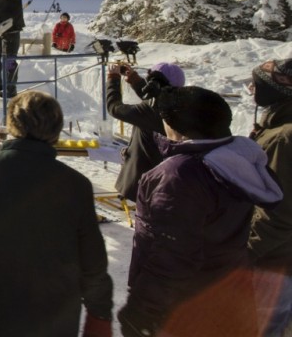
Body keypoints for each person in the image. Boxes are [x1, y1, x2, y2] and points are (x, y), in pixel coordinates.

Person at [0, 91, 114, 337]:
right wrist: (100, 315)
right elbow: (93, 260)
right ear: (56, 130)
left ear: (13, 125)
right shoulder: (75, 184)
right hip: (57, 316)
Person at [118, 86, 282, 337]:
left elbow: (171, 254)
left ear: (176, 126)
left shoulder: (178, 176)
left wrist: (141, 312)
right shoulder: (234, 160)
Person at [247, 58, 292, 336]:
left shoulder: (282, 138)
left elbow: (277, 211)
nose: (252, 89)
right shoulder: (277, 130)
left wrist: (245, 252)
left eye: (258, 84)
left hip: (273, 261)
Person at [107, 61, 186, 201]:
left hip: (144, 182)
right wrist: (133, 78)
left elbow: (114, 108)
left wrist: (113, 78)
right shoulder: (181, 104)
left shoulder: (149, 111)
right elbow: (155, 95)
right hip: (169, 179)